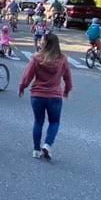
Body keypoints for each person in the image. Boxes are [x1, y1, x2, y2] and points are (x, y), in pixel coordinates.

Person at [18, 32, 72, 161]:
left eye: (42, 40)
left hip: (37, 95)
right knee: (54, 122)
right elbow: (68, 78)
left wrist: (22, 87)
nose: (40, 41)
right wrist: (66, 91)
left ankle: (36, 150)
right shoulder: (62, 59)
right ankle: (47, 144)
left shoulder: (37, 58)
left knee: (38, 121)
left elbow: (27, 76)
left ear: (46, 43)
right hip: (55, 95)